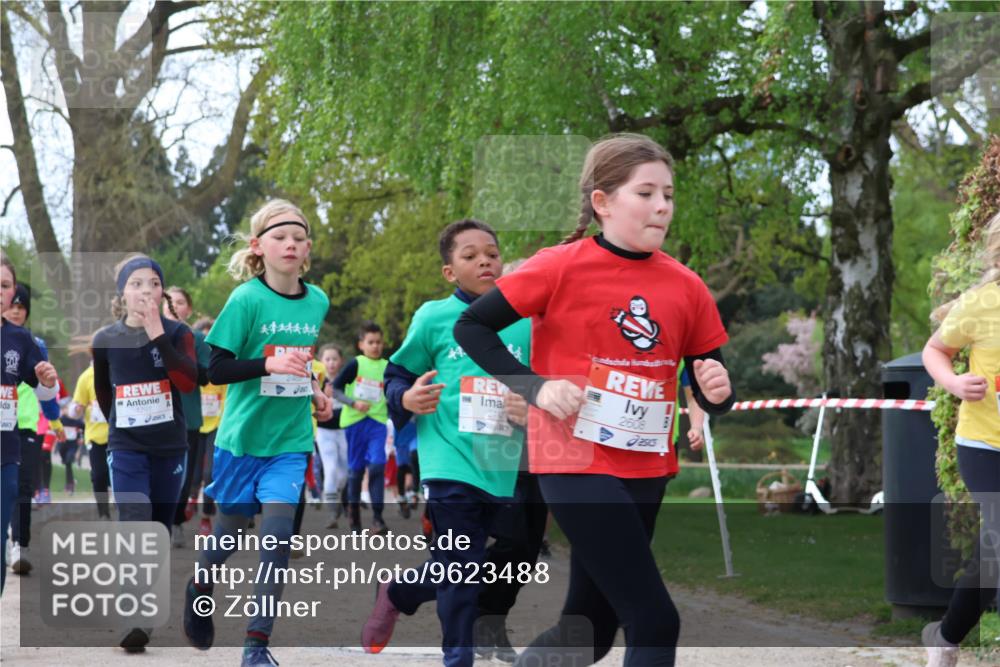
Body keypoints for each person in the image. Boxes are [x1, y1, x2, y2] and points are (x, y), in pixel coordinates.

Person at [454, 133, 735, 667]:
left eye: (668, 195)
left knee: (586, 632)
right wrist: (537, 387)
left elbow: (711, 378)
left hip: (647, 465)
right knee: (655, 620)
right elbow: (472, 327)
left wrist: (717, 393)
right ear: (602, 202)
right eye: (646, 193)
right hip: (575, 460)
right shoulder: (559, 266)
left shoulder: (687, 285)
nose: (662, 206)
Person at [361, 219, 532, 667]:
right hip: (449, 459)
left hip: (505, 462)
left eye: (492, 253)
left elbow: (544, 385)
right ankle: (458, 658)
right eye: (471, 256)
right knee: (461, 568)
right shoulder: (434, 317)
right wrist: (407, 398)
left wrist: (531, 405)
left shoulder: (526, 322)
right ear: (449, 272)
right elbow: (397, 375)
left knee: (507, 555)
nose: (485, 262)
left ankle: (399, 592)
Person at [181, 198, 331, 667]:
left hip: (290, 442)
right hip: (242, 442)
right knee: (228, 534)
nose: (290, 244)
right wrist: (268, 364)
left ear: (307, 249)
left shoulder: (318, 300)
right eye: (280, 237)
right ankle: (200, 584)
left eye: (299, 238)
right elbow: (215, 370)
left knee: (278, 537)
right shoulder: (246, 299)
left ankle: (256, 646)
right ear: (257, 246)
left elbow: (300, 362)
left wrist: (315, 391)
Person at [92, 253, 198, 652]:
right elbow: (105, 394)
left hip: (170, 447)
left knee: (157, 531)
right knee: (134, 522)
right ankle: (133, 617)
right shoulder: (106, 339)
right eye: (136, 284)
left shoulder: (178, 333)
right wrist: (122, 429)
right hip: (126, 446)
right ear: (122, 293)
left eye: (154, 283)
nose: (146, 291)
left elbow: (188, 383)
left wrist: (157, 334)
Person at [920, 209, 1000, 667]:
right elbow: (935, 349)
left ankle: (947, 636)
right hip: (984, 445)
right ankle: (946, 639)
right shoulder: (981, 303)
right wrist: (954, 383)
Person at [0, 254, 60, 593]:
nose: (0, 291)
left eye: (5, 285)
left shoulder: (23, 341)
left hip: (9, 448)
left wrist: (48, 384)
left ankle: (17, 546)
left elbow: (44, 390)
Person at [163, 286, 211, 547]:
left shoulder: (196, 339)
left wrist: (182, 359)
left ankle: (176, 522)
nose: (173, 306)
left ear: (189, 310)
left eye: (179, 302)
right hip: (154, 417)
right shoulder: (148, 336)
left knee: (182, 477)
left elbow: (205, 376)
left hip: (187, 417)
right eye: (168, 301)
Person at [332, 321, 390, 534]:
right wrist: (353, 403)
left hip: (378, 422)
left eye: (379, 342)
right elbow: (336, 389)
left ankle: (378, 518)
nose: (375, 346)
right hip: (355, 422)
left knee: (377, 466)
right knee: (356, 471)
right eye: (371, 342)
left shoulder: (388, 367)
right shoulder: (356, 364)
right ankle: (353, 515)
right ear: (361, 345)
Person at [69, 339, 111, 520]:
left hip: (119, 435)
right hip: (95, 436)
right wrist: (78, 409)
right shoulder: (86, 377)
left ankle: (125, 509)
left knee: (119, 474)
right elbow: (74, 408)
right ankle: (104, 513)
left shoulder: (116, 371)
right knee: (99, 475)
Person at [315, 343, 348, 528]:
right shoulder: (317, 381)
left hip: (344, 431)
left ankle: (338, 497)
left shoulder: (347, 380)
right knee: (330, 470)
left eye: (335, 359)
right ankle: (332, 513)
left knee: (344, 473)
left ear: (341, 361)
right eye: (327, 359)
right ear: (321, 361)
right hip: (324, 431)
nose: (331, 363)